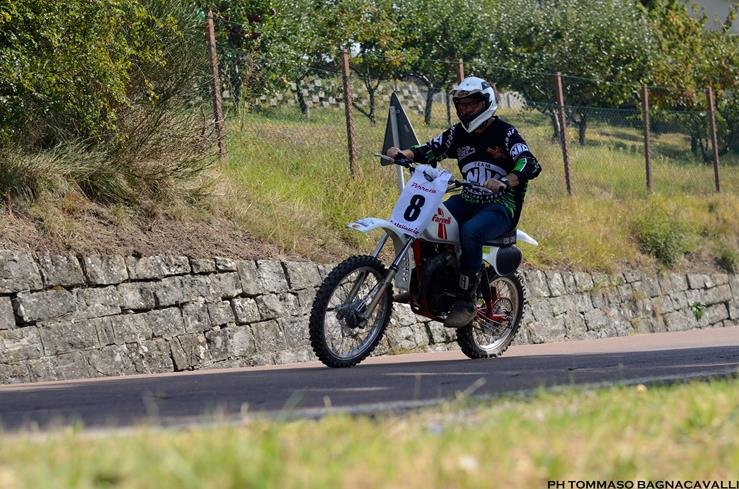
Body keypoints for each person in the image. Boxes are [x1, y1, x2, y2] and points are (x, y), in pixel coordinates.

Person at [386, 76, 541, 328]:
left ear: (487, 103)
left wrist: (506, 180)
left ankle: (466, 301)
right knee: (427, 220)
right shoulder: (458, 133)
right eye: (463, 105)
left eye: (472, 104)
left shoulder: (506, 132)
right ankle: (424, 285)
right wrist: (405, 153)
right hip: (468, 199)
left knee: (471, 231)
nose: (467, 109)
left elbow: (529, 162)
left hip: (502, 205)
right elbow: (431, 149)